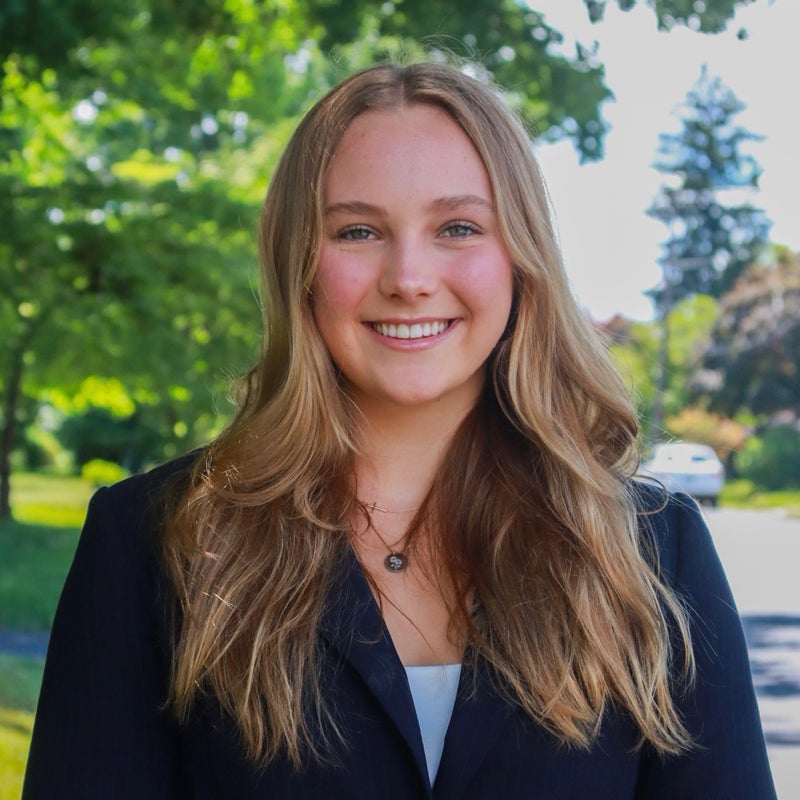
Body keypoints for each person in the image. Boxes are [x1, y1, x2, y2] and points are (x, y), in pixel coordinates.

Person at [23, 62, 776, 799]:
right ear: (299, 266)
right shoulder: (153, 542)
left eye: (456, 226)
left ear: (521, 258)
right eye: (357, 231)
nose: (409, 276)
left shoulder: (652, 553)